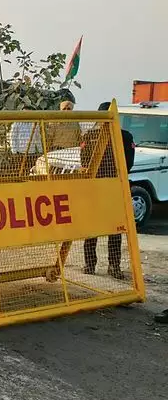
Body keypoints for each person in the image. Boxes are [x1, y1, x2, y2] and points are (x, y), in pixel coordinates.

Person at [81, 101, 135, 280]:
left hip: (102, 186)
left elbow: (85, 162)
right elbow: (128, 163)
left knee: (109, 228)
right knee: (107, 228)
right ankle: (109, 266)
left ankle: (94, 265)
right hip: (110, 186)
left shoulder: (120, 136)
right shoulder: (122, 136)